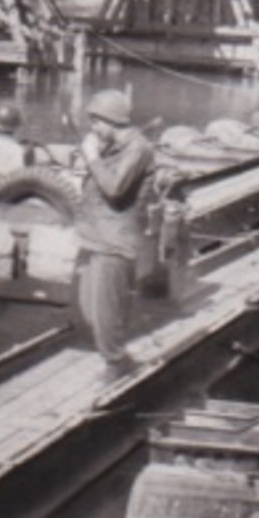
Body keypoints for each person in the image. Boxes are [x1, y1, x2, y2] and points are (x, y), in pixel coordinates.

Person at [74, 89, 156, 373]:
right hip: (95, 237)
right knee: (89, 309)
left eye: (97, 122)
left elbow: (115, 189)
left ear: (113, 121)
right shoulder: (114, 147)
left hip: (115, 241)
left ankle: (119, 366)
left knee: (106, 312)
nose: (93, 128)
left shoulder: (138, 149)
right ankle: (113, 354)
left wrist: (92, 157)